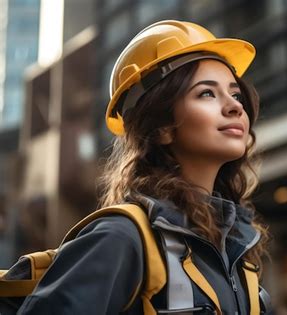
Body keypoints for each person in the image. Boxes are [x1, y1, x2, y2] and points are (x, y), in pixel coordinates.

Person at [18, 20, 271, 314]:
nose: (235, 107)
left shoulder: (237, 253)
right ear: (162, 126)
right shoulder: (120, 237)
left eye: (236, 94)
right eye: (206, 93)